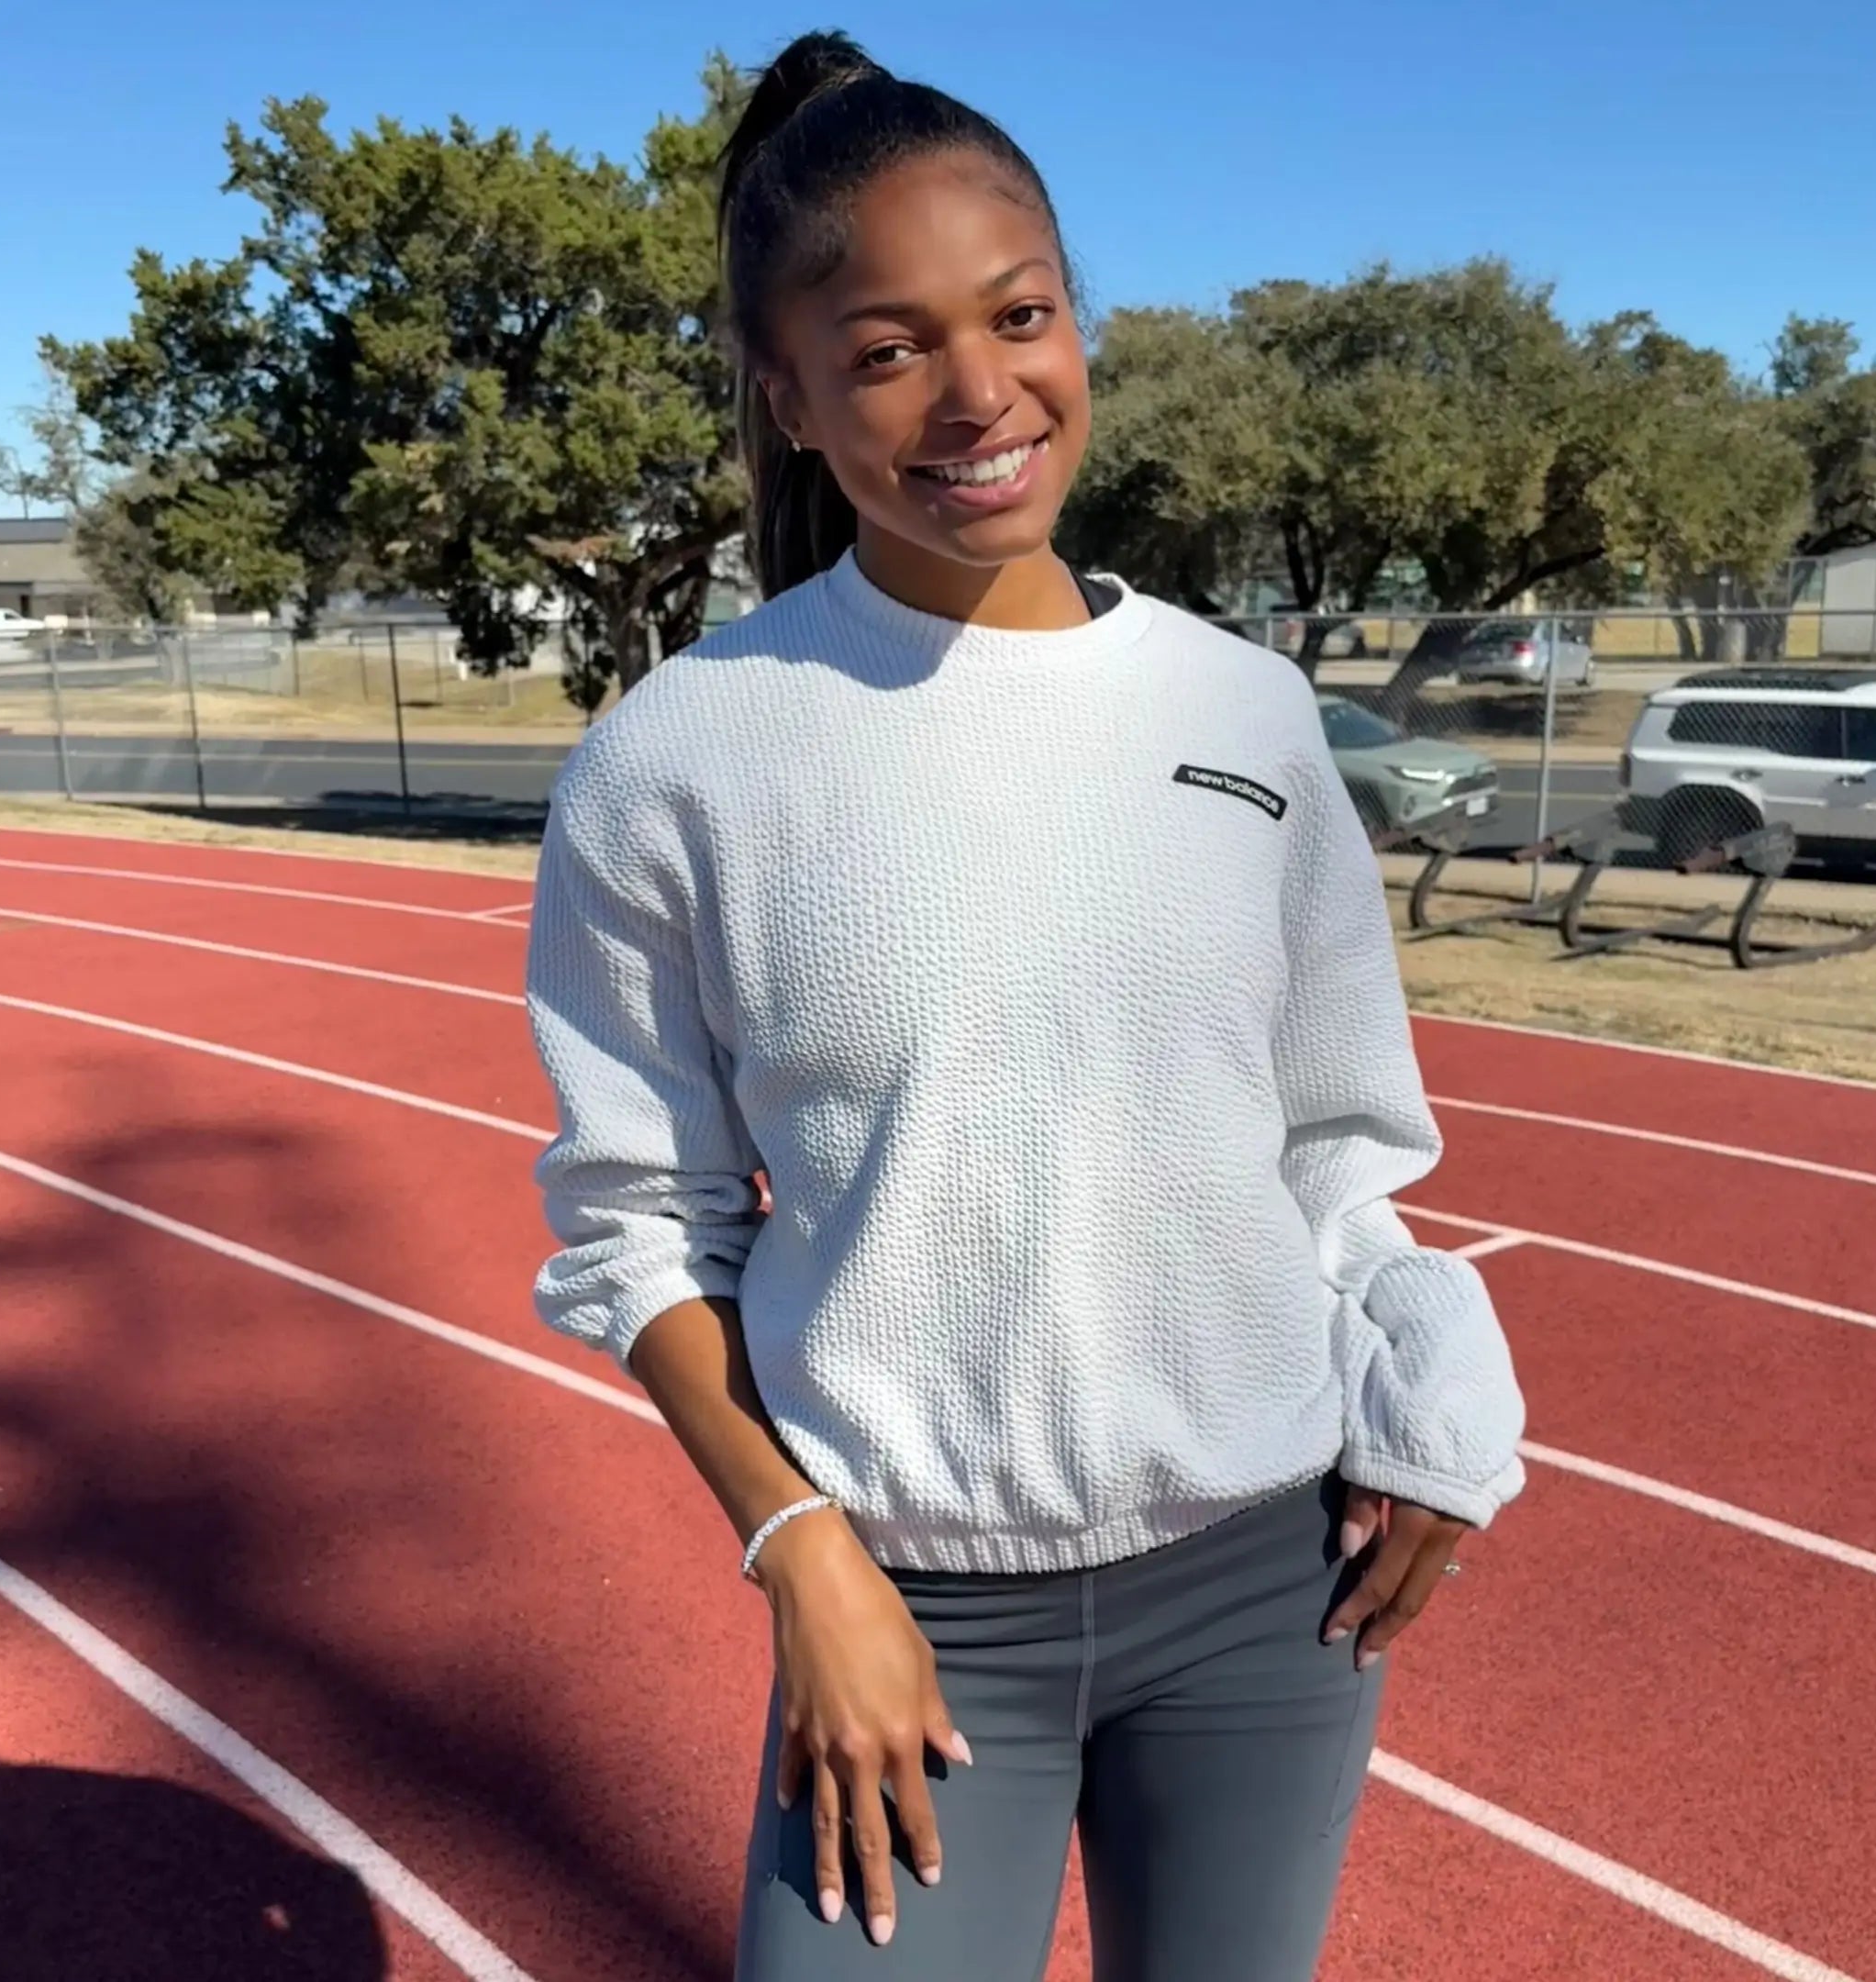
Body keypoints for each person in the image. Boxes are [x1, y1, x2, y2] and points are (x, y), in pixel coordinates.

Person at [524, 30, 1526, 1981]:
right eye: (889, 348)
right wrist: (801, 1555)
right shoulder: (677, 761)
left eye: (1021, 315)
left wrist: (1431, 1391)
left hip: (1265, 1600)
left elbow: (1325, 1146)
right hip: (911, 1609)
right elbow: (637, 1227)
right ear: (788, 390)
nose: (980, 394)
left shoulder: (1244, 714)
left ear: (1080, 322)